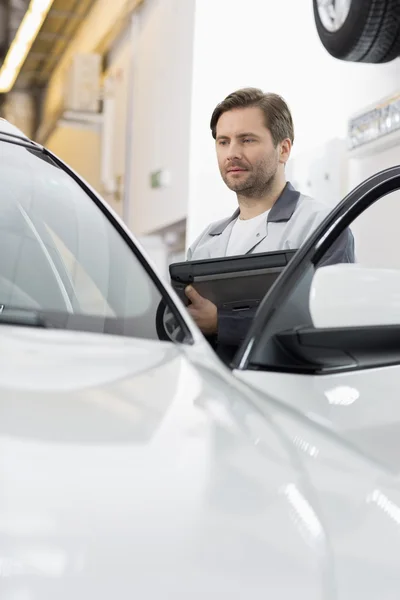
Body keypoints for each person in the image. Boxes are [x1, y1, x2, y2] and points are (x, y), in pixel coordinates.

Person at [184, 87, 354, 361]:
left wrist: (222, 323)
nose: (232, 153)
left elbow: (331, 322)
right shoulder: (205, 243)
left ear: (283, 149)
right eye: (223, 142)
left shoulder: (320, 226)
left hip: (290, 393)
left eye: (247, 140)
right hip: (216, 395)